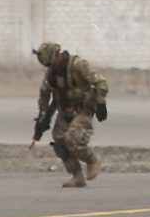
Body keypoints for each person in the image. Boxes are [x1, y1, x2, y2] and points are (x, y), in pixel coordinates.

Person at [30, 41, 105, 187]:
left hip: (83, 109)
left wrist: (101, 103)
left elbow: (100, 82)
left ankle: (91, 159)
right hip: (65, 110)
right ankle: (77, 176)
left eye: (51, 63)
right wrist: (42, 117)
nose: (50, 68)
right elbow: (45, 94)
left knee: (72, 139)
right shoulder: (51, 74)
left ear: (57, 55)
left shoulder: (78, 65)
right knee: (59, 142)